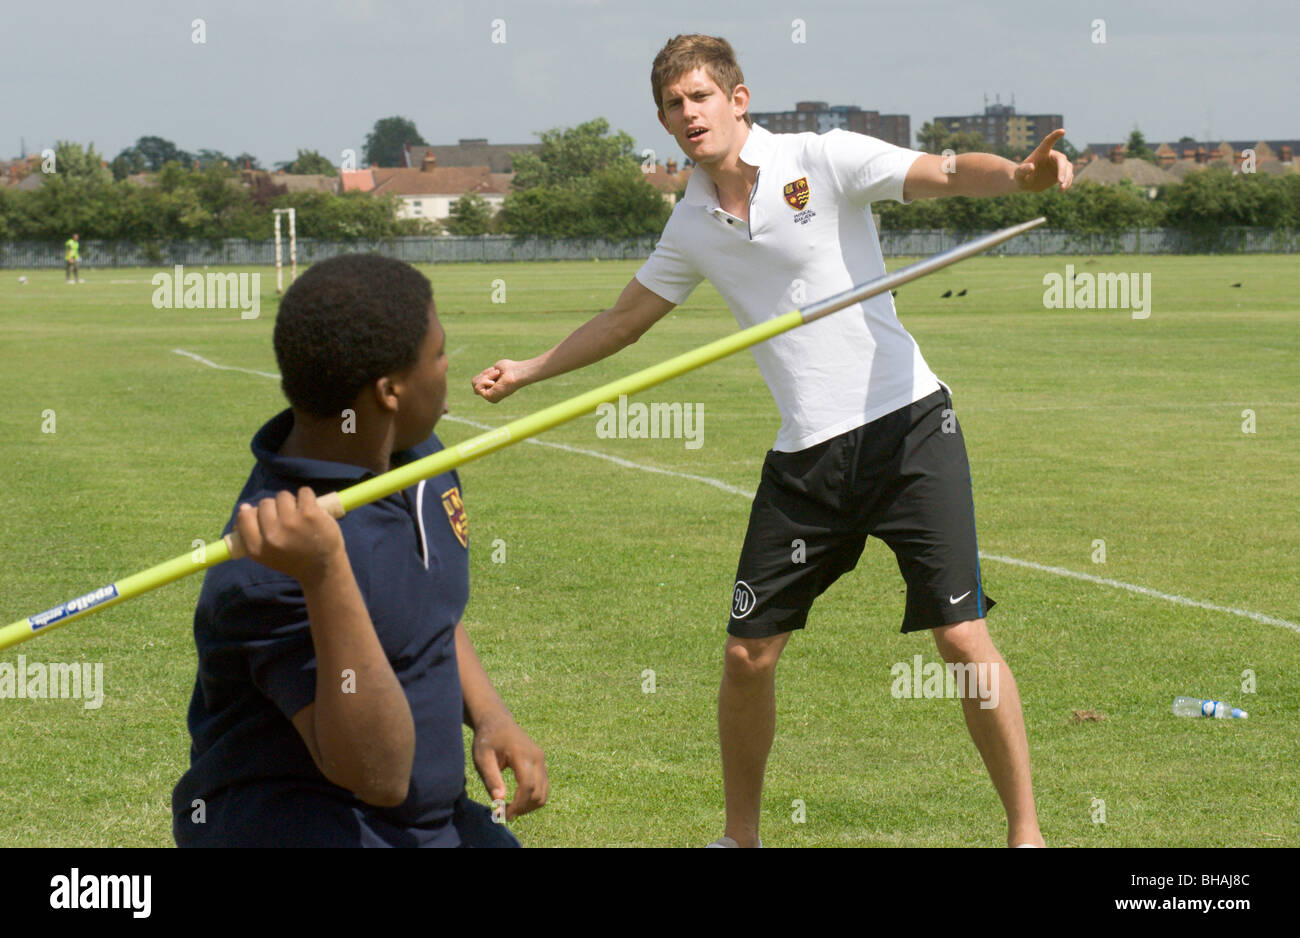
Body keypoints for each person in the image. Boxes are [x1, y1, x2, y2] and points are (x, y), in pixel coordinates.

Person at [472, 34, 1073, 848]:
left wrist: (1019, 176)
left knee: (961, 636)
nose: (688, 114)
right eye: (673, 105)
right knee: (747, 655)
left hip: (909, 429)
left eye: (700, 96)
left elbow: (943, 170)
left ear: (738, 97)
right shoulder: (690, 224)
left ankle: (1026, 834)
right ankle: (741, 838)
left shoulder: (822, 159)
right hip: (809, 459)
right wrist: (528, 369)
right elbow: (623, 321)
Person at [174, 253, 547, 847]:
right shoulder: (271, 569)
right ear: (390, 390)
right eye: (440, 353)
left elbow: (427, 611)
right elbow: (377, 773)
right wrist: (326, 575)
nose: (451, 367)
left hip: (433, 820)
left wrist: (490, 715)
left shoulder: (421, 460)